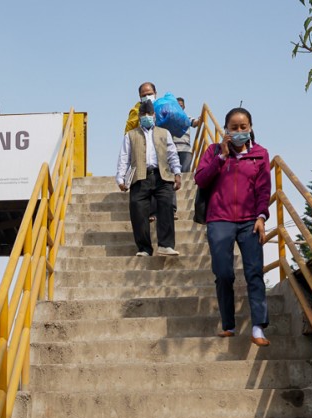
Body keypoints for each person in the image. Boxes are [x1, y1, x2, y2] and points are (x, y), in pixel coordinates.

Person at [194, 107, 272, 347]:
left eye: (243, 127)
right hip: (219, 219)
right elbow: (200, 179)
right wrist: (222, 157)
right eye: (234, 128)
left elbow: (263, 189)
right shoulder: (213, 151)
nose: (239, 131)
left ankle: (258, 327)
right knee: (224, 273)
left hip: (250, 220)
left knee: (254, 272)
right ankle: (228, 324)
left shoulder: (260, 154)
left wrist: (261, 217)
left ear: (250, 128)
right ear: (226, 130)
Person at [115, 100, 182, 257]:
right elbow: (124, 157)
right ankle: (144, 248)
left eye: (149, 114)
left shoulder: (164, 133)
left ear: (154, 115)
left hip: (162, 175)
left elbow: (172, 154)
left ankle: (166, 245)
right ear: (139, 117)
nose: (146, 117)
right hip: (140, 177)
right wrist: (120, 179)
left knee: (166, 208)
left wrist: (177, 173)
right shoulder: (130, 135)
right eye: (143, 114)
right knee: (138, 211)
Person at [172, 97, 201, 172]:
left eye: (180, 106)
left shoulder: (186, 118)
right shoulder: (169, 119)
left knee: (185, 173)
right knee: (173, 174)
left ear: (184, 107)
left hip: (185, 149)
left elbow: (194, 123)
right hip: (172, 149)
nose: (179, 108)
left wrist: (200, 120)